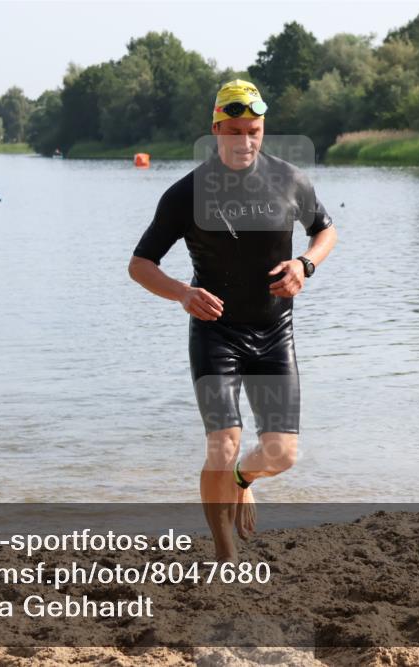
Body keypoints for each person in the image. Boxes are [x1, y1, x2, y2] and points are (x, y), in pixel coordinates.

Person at [128, 79, 338, 561]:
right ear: (216, 129)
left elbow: (326, 231)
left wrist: (304, 265)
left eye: (255, 130)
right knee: (223, 444)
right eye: (236, 131)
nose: (246, 141)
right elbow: (140, 264)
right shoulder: (186, 193)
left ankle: (243, 481)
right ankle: (225, 552)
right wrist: (183, 292)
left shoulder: (289, 180)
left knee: (282, 455)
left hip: (273, 332)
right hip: (215, 332)